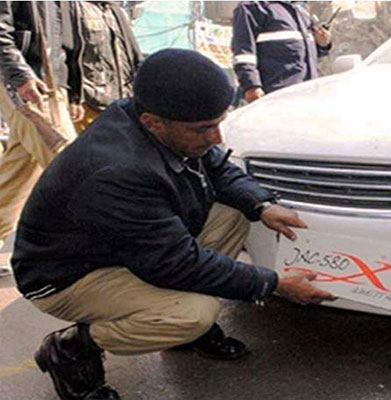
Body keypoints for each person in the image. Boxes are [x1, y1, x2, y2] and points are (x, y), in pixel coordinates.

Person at [12, 49, 335, 400]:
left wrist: (261, 205)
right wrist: (273, 284)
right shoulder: (116, 171)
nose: (216, 137)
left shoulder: (161, 120)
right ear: (153, 122)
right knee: (193, 315)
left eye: (219, 122)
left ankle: (180, 330)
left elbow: (218, 167)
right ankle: (72, 348)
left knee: (236, 211)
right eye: (204, 128)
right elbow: (175, 263)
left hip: (130, 250)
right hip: (67, 276)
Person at [0, 2, 85, 277]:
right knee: (69, 163)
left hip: (52, 81)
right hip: (22, 79)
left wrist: (73, 93)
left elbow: (67, 43)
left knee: (20, 168)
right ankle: (97, 247)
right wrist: (20, 76)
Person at [232, 1, 332, 104]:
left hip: (308, 95)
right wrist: (252, 86)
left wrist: (322, 44)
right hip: (275, 98)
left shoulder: (301, 12)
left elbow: (300, 55)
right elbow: (243, 54)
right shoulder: (252, 7)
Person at [74, 1, 143, 133]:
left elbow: (134, 59)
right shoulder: (74, 7)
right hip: (88, 104)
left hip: (121, 107)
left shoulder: (115, 11)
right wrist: (75, 99)